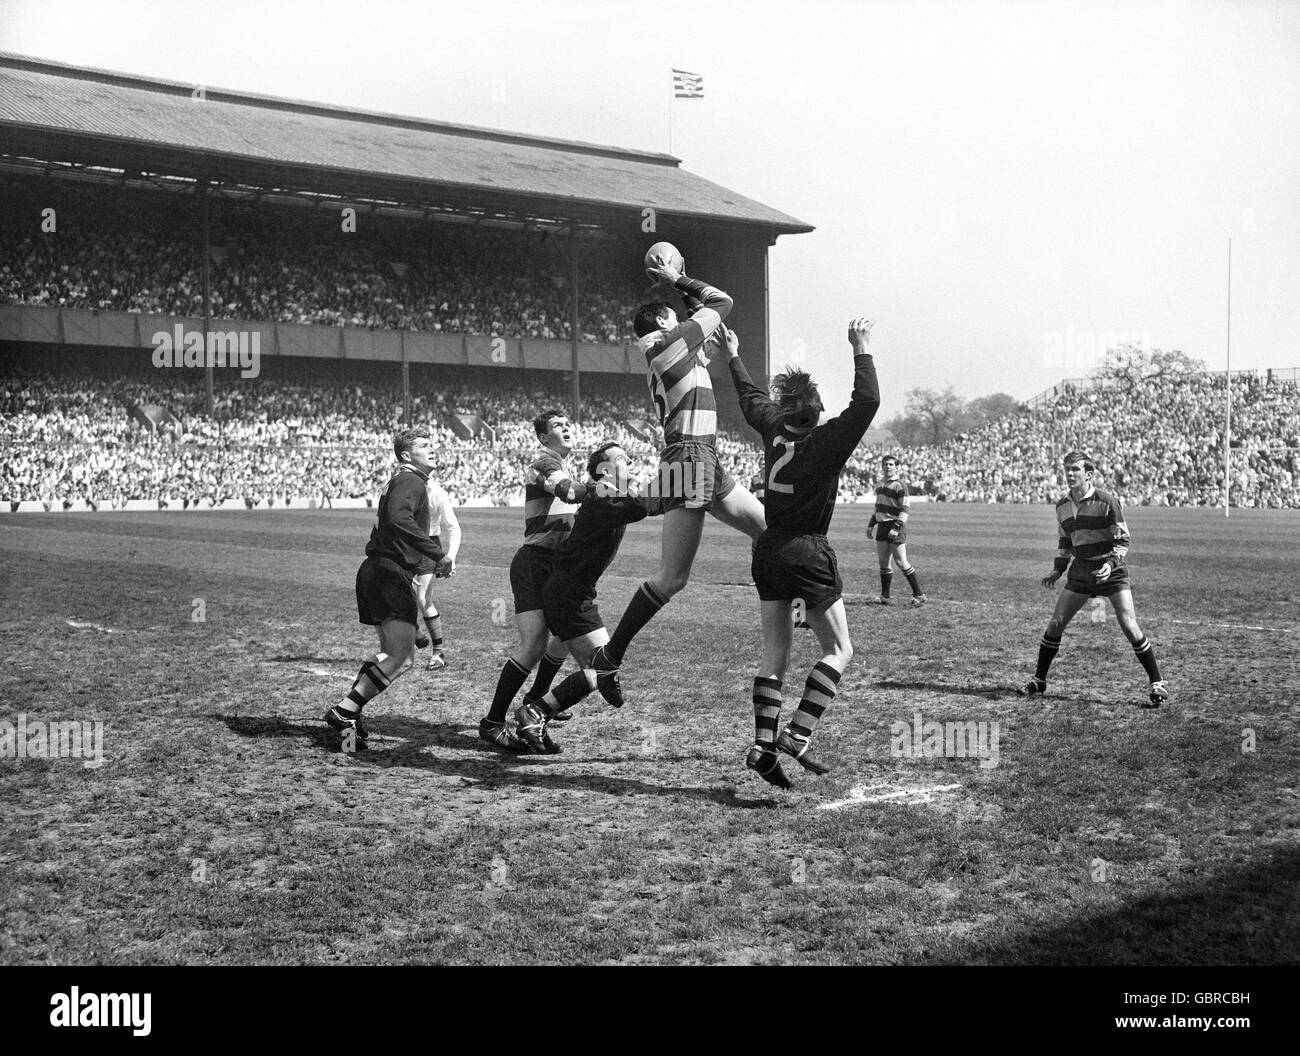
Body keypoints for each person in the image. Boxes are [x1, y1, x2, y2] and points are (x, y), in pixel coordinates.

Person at [590, 256, 766, 700]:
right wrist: (678, 279)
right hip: (690, 456)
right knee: (672, 577)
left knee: (767, 527)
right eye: (677, 314)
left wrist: (728, 351)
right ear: (665, 321)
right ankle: (610, 657)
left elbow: (703, 330)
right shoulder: (668, 344)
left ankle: (787, 606)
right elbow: (720, 301)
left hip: (700, 454)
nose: (687, 318)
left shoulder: (670, 349)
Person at [726, 318, 881, 788]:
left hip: (768, 547)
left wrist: (733, 354)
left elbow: (750, 398)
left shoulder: (772, 425)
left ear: (784, 409)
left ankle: (762, 743)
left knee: (775, 649)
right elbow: (868, 401)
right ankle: (797, 734)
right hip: (808, 550)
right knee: (839, 649)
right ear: (817, 411)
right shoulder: (828, 439)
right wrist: (861, 347)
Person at [512, 442, 666, 753]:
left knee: (580, 658)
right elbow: (641, 507)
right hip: (570, 595)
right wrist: (680, 481)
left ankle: (536, 705)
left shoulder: (609, 493)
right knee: (601, 669)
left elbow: (649, 504)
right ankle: (536, 711)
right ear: (605, 470)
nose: (630, 461)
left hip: (571, 591)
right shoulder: (603, 493)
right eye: (621, 458)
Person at [324, 427, 446, 751]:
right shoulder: (411, 481)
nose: (431, 449)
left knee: (390, 654)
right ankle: (345, 711)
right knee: (401, 658)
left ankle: (349, 721)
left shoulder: (403, 480)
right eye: (423, 445)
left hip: (378, 571)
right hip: (389, 573)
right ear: (407, 455)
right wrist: (437, 554)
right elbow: (397, 520)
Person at [1016, 450, 1169, 706]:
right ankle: (1039, 680)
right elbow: (1065, 540)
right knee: (1056, 623)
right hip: (1081, 571)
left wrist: (1110, 564)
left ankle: (1157, 682)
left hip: (1111, 571)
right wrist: (1058, 569)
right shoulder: (1062, 506)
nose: (1069, 473)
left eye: (1075, 469)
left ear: (1089, 474)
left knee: (1129, 625)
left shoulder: (1108, 501)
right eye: (1067, 469)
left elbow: (1122, 540)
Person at [478, 410, 586, 751]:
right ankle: (493, 722)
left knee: (565, 636)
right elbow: (568, 492)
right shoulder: (543, 463)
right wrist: (600, 490)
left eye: (568, 424)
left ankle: (536, 702)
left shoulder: (563, 465)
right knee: (535, 644)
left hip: (555, 565)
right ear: (543, 437)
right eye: (558, 426)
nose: (566, 428)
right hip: (534, 564)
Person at [412, 472, 462, 670]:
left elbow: (454, 527)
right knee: (397, 592)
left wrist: (451, 558)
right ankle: (415, 631)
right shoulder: (403, 485)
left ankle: (438, 653)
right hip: (404, 544)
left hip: (428, 545)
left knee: (424, 599)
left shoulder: (437, 493)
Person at [868, 454, 927, 606]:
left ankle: (919, 594)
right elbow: (878, 506)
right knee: (883, 562)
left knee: (901, 561)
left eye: (891, 464)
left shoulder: (900, 485)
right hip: (882, 526)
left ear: (896, 467)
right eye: (885, 464)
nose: (888, 467)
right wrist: (871, 524)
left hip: (895, 525)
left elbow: (905, 508)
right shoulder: (880, 484)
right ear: (882, 466)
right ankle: (885, 597)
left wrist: (896, 527)